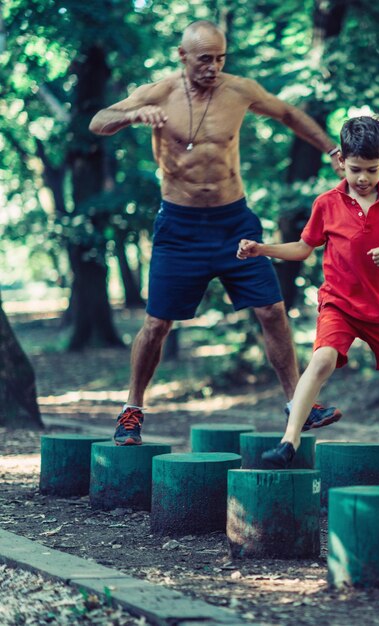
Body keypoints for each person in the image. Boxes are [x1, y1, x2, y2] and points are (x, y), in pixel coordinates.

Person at [89, 20, 342, 445]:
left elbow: (289, 114)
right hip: (179, 227)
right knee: (156, 324)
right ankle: (132, 409)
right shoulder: (160, 93)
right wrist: (133, 115)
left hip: (233, 223)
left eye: (220, 57)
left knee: (272, 311)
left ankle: (298, 402)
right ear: (183, 56)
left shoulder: (239, 90)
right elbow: (98, 121)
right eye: (204, 58)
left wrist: (331, 149)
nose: (213, 66)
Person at [237, 116, 379, 468]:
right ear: (341, 161)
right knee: (322, 359)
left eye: (372, 170)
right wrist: (262, 249)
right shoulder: (326, 203)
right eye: (355, 169)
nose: (363, 178)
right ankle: (289, 440)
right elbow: (302, 247)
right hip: (337, 303)